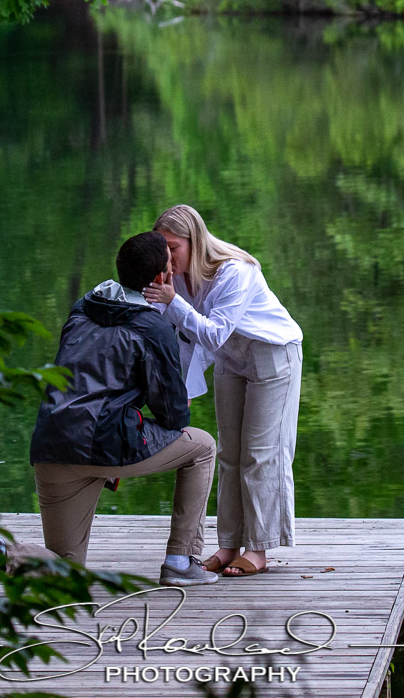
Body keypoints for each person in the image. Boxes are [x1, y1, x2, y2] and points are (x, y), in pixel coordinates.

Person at [28, 231, 219, 587]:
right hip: (104, 444)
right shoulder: (153, 327)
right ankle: (180, 562)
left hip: (52, 445)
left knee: (66, 571)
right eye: (170, 265)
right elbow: (174, 417)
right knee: (203, 447)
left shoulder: (83, 307)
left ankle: (3, 554)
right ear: (161, 277)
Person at [143, 205, 302, 578]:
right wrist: (179, 387)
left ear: (195, 241)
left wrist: (172, 302)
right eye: (162, 249)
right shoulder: (178, 280)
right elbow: (184, 336)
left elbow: (212, 333)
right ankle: (229, 544)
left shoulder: (235, 271)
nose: (167, 258)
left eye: (173, 247)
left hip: (271, 354)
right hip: (230, 358)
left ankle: (258, 549)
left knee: (261, 454)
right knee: (229, 454)